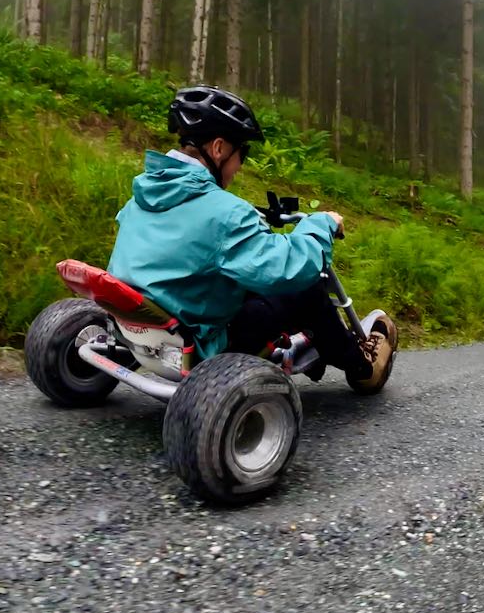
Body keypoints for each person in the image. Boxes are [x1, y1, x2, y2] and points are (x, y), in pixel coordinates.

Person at [107, 85, 393, 387]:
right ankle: (362, 367)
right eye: (242, 153)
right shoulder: (225, 213)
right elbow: (287, 266)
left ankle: (311, 345)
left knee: (245, 284)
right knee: (306, 289)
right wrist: (322, 224)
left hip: (138, 327)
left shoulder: (144, 194)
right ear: (219, 149)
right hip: (198, 348)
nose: (240, 166)